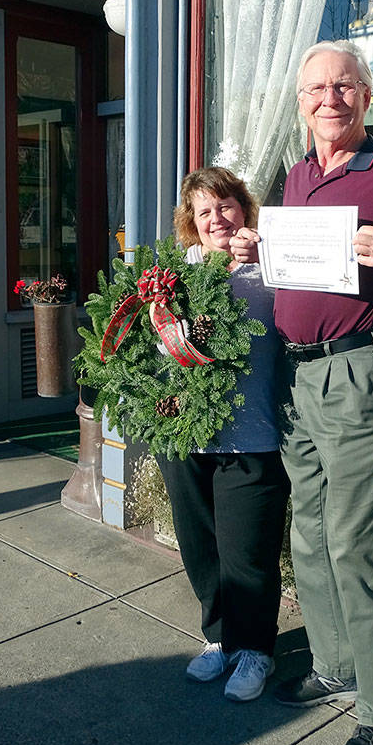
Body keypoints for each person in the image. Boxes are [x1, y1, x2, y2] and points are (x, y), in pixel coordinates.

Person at [230, 40, 373, 745]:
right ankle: (336, 663)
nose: (329, 98)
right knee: (311, 532)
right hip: (294, 378)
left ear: (365, 95)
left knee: (359, 541)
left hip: (356, 372)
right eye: (315, 89)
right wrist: (252, 250)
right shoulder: (295, 177)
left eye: (343, 86)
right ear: (302, 103)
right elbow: (295, 270)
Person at [156, 166, 290, 703]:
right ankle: (219, 638)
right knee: (200, 543)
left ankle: (255, 647)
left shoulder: (269, 265)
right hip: (186, 433)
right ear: (191, 222)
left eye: (225, 205)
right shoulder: (176, 272)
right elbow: (153, 341)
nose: (217, 219)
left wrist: (267, 255)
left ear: (244, 207)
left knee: (248, 551)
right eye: (204, 211)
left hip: (252, 432)